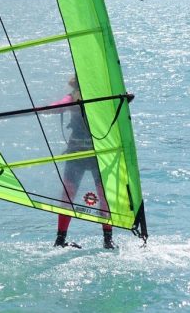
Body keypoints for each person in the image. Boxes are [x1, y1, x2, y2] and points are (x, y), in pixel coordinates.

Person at [51, 74, 115, 250]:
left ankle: (108, 240)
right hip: (76, 152)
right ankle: (60, 239)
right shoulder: (73, 96)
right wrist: (52, 107)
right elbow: (59, 105)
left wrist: (124, 100)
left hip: (99, 154)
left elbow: (117, 105)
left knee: (103, 195)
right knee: (68, 194)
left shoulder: (105, 95)